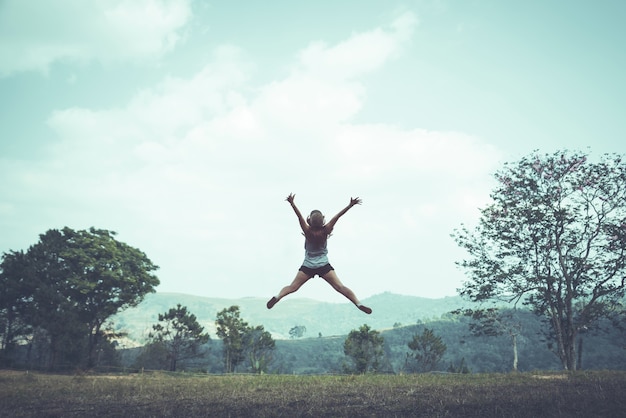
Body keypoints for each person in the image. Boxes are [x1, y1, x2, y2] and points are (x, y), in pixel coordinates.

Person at [266, 193, 372, 314]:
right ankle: (358, 303)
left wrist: (292, 203)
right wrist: (350, 205)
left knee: (292, 287)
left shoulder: (307, 231)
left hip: (308, 266)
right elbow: (337, 217)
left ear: (309, 221)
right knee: (340, 287)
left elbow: (299, 217)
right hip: (323, 265)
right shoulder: (326, 230)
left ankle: (278, 296)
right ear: (323, 220)